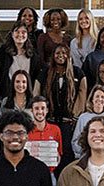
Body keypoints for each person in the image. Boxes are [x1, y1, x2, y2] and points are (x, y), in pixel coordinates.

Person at [35, 43, 85, 171]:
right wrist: (41, 114)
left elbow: (82, 94)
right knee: (49, 155)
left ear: (68, 55)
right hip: (49, 122)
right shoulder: (45, 73)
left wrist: (75, 115)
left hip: (69, 123)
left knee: (67, 155)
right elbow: (37, 93)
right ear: (53, 56)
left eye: (64, 53)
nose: (60, 55)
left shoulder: (77, 73)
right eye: (57, 53)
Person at [71, 85, 104, 157]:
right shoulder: (83, 117)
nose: (99, 99)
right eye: (97, 96)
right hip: (87, 157)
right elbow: (75, 142)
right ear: (92, 99)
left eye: (102, 97)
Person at [0, 22, 40, 99]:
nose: (20, 35)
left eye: (23, 32)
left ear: (27, 35)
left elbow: (35, 76)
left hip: (27, 95)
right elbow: (0, 74)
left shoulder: (33, 54)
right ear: (12, 34)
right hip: (8, 94)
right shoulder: (3, 52)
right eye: (17, 31)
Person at [27, 95, 64, 173]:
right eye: (36, 108)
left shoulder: (55, 129)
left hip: (49, 174)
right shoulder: (26, 130)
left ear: (47, 110)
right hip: (30, 173)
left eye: (43, 108)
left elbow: (59, 154)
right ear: (31, 110)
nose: (40, 112)